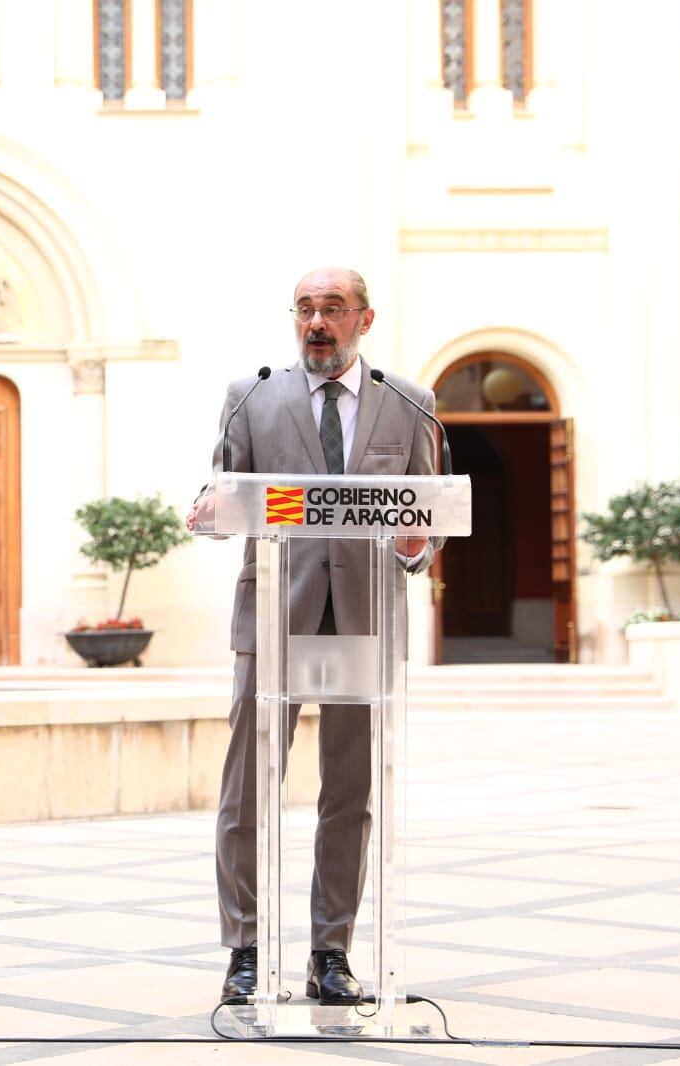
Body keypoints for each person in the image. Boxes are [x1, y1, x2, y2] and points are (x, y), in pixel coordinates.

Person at [188, 267, 437, 1006]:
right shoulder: (253, 397)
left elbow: (423, 519)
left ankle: (331, 953)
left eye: (332, 309)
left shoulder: (408, 405)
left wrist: (416, 544)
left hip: (359, 620)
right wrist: (206, 511)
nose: (316, 323)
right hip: (274, 620)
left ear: (364, 319)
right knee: (247, 788)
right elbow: (221, 491)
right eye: (305, 310)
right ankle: (245, 947)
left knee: (347, 793)